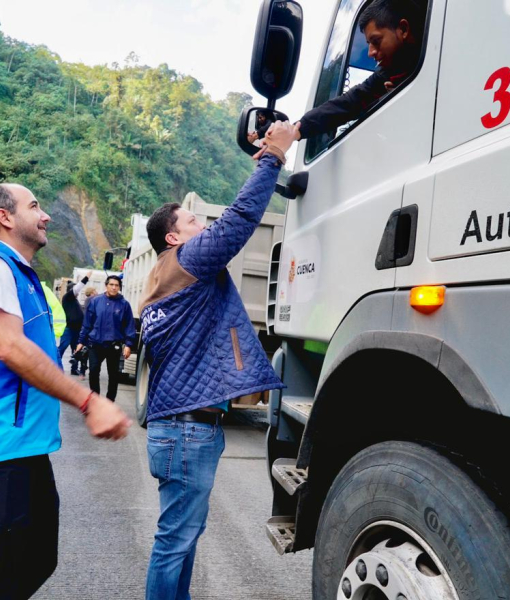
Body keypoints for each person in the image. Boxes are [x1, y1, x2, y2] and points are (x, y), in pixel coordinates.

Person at [0, 183, 131, 600]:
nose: (45, 215)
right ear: (5, 218)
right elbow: (10, 347)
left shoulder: (21, 276)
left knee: (37, 561)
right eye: (35, 206)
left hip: (25, 454)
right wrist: (87, 400)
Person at [140, 121, 300, 600]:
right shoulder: (186, 261)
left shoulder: (163, 277)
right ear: (173, 238)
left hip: (181, 429)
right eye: (191, 222)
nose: (201, 226)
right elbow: (238, 220)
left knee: (181, 539)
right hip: (188, 432)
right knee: (174, 542)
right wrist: (273, 155)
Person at [256, 0, 424, 156]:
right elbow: (349, 103)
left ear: (403, 29)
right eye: (369, 44)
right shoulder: (387, 75)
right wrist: (295, 130)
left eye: (376, 41)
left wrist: (409, 98)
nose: (370, 52)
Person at [75, 275, 135, 402]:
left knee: (114, 376)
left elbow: (129, 326)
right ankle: (95, 400)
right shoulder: (96, 302)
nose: (114, 287)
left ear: (119, 287)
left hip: (114, 345)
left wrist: (129, 345)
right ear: (106, 286)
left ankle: (109, 402)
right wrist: (81, 341)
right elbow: (87, 324)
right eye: (111, 284)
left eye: (116, 285)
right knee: (93, 371)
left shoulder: (124, 305)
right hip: (95, 344)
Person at [58, 275, 89, 375]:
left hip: (77, 329)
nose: (78, 292)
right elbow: (76, 289)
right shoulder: (67, 298)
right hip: (69, 329)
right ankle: (55, 366)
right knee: (62, 347)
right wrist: (86, 279)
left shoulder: (75, 301)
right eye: (75, 291)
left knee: (76, 349)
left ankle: (74, 369)